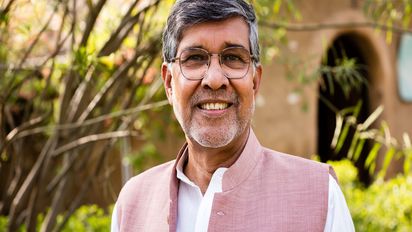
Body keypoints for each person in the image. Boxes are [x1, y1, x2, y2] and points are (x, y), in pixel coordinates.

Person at [111, 0, 355, 231]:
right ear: (169, 83)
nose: (215, 80)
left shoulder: (319, 196)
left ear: (255, 81)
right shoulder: (133, 205)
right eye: (195, 58)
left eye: (232, 58)